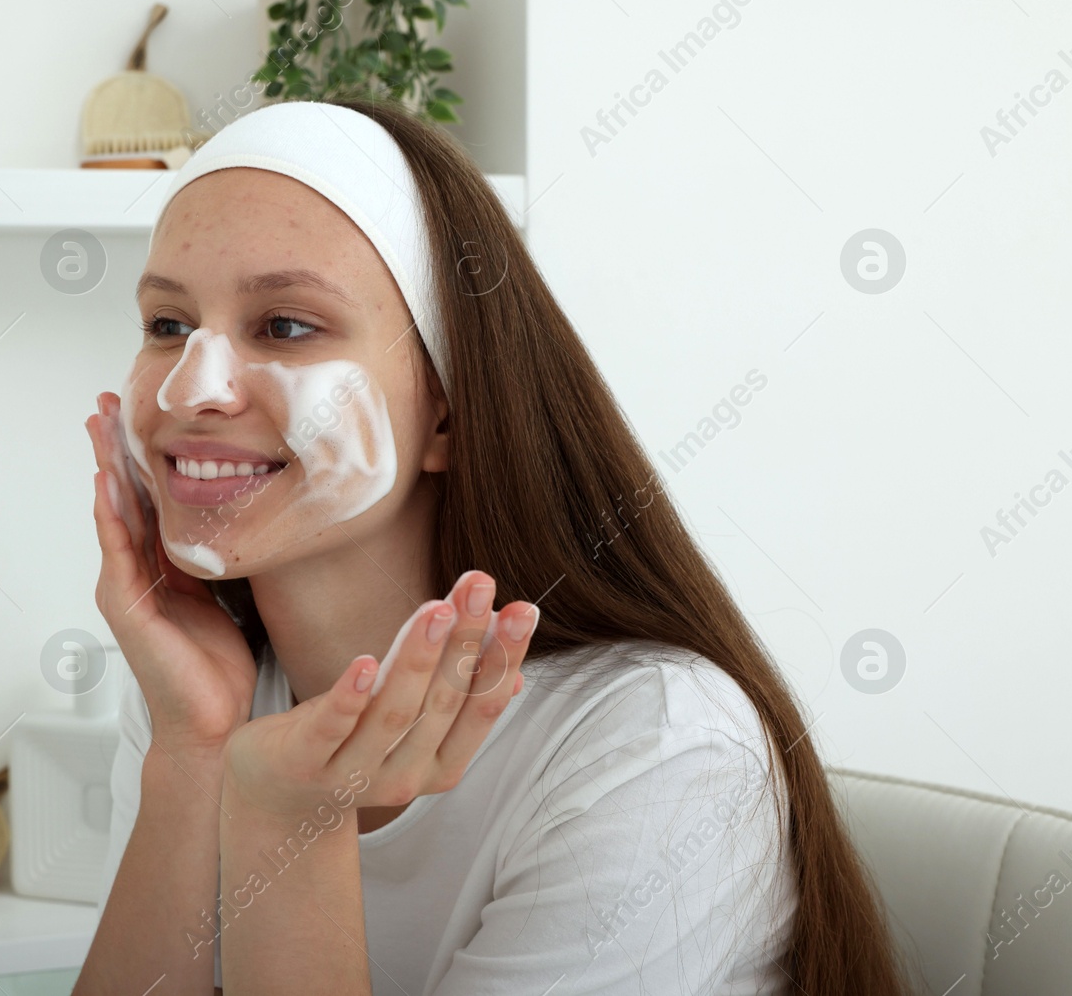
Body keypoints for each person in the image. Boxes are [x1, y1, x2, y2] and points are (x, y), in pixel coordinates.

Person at [76, 95, 908, 995]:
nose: (191, 388)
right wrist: (193, 749)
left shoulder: (657, 749)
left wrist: (291, 820)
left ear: (448, 409)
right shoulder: (198, 698)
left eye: (284, 325)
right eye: (167, 325)